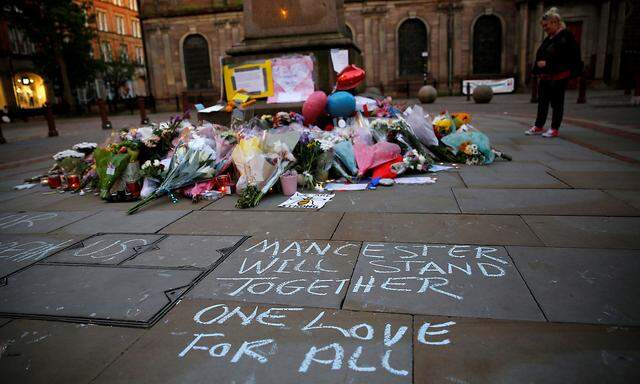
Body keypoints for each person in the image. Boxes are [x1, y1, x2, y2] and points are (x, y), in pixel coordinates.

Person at [526, 7, 582, 138]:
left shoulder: (566, 37)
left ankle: (554, 128)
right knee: (542, 102)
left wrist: (548, 64)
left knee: (557, 103)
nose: (544, 28)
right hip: (546, 76)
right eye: (543, 26)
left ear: (555, 23)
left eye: (546, 25)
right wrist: (538, 68)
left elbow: (568, 57)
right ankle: (539, 126)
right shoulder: (549, 38)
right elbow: (541, 53)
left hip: (559, 76)